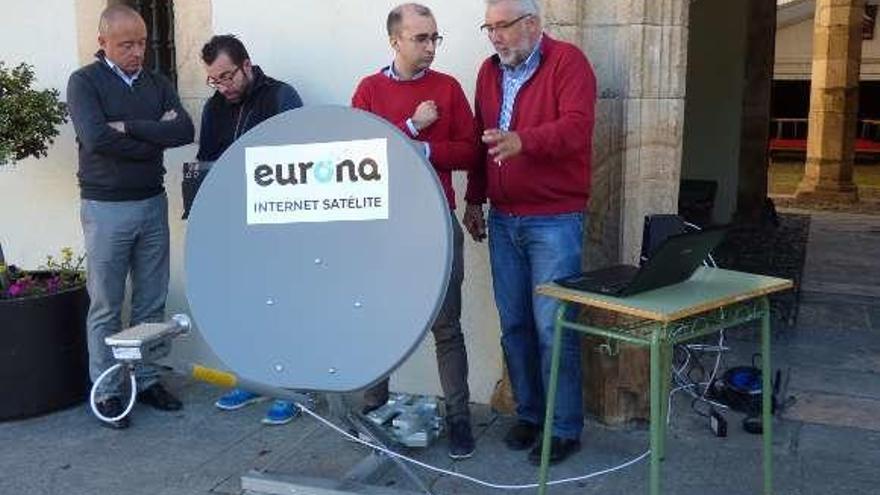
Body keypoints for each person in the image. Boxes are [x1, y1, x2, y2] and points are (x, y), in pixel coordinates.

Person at [462, 0, 597, 465]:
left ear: (533, 24)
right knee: (515, 323)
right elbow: (483, 139)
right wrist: (475, 198)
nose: (495, 36)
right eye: (489, 27)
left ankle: (564, 428)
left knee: (553, 328)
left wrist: (525, 141)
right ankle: (531, 415)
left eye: (503, 26)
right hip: (503, 217)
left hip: (554, 218)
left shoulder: (568, 62)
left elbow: (578, 130)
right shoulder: (488, 72)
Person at [351, 3, 478, 459]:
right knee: (382, 321)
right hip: (383, 225)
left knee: (447, 326)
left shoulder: (448, 88)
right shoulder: (368, 89)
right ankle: (372, 413)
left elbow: (469, 152)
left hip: (435, 221)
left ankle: (461, 419)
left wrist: (421, 148)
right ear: (395, 41)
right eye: (421, 38)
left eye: (434, 38)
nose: (430, 47)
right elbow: (362, 156)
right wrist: (411, 126)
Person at [67, 5, 195, 429]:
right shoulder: (85, 82)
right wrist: (151, 134)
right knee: (106, 303)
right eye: (126, 44)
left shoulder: (156, 82)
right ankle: (107, 390)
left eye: (141, 42)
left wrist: (128, 127)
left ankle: (147, 378)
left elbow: (183, 131)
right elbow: (94, 137)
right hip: (106, 206)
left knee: (151, 302)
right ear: (103, 42)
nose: (138, 51)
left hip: (151, 201)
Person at [196, 34, 305, 426]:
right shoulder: (214, 108)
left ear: (247, 65)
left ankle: (294, 386)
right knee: (247, 305)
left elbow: (298, 157)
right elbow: (207, 162)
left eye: (227, 76)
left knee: (288, 303)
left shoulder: (280, 97)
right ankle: (254, 378)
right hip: (236, 224)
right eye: (215, 80)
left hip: (281, 223)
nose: (223, 86)